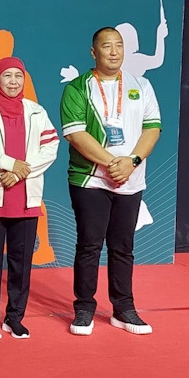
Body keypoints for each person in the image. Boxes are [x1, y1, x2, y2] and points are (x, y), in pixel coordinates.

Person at [60, 27, 162, 336]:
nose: (114, 51)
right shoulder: (78, 88)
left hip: (131, 179)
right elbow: (75, 133)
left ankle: (123, 309)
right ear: (94, 52)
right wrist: (112, 164)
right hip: (90, 180)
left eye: (119, 45)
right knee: (89, 245)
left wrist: (132, 162)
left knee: (123, 247)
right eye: (107, 46)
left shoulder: (140, 85)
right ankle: (84, 308)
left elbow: (152, 128)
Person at [0, 57, 59, 340]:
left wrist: (21, 172)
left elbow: (51, 147)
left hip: (25, 197)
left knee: (21, 264)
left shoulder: (36, 111)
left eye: (18, 76)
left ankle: (15, 317)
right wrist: (9, 164)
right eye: (7, 76)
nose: (13, 82)